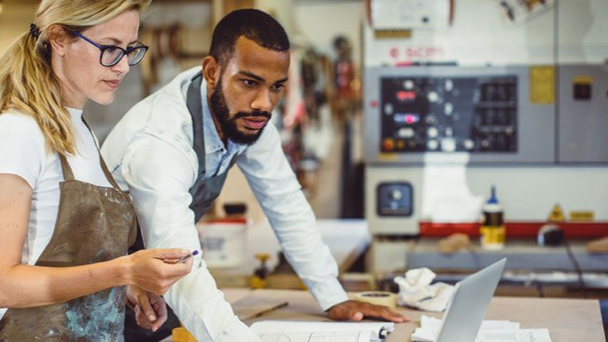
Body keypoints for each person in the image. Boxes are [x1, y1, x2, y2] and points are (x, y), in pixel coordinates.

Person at [102, 9, 408, 341]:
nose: (264, 103)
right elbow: (177, 260)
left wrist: (332, 296)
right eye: (249, 82)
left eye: (276, 87)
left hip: (154, 293)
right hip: (97, 295)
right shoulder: (161, 142)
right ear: (211, 72)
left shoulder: (245, 117)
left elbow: (285, 202)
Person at [0, 0, 194, 340]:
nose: (123, 67)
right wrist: (123, 271)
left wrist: (128, 290)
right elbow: (4, 284)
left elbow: (75, 264)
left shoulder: (82, 132)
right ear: (58, 39)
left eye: (129, 50)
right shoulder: (18, 132)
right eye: (109, 49)